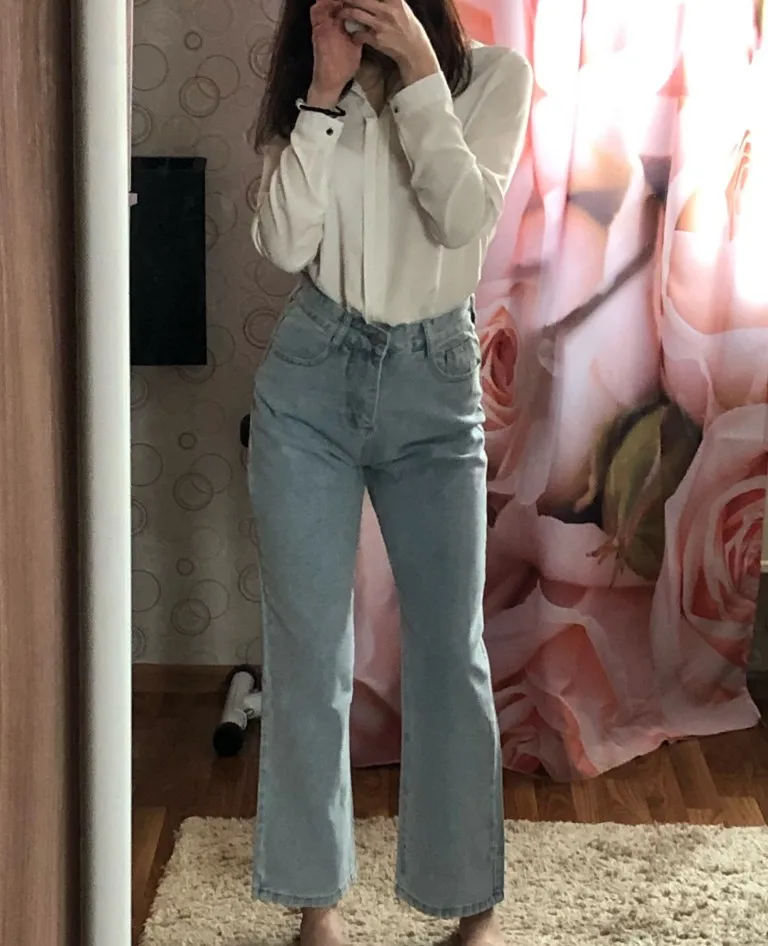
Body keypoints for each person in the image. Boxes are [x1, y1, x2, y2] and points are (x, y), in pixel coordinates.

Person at [248, 1, 532, 943]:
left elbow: (461, 219)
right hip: (311, 378)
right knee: (308, 655)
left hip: (434, 388)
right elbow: (283, 244)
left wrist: (417, 72)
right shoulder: (317, 80)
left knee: (451, 651)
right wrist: (323, 94)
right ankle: (315, 910)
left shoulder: (495, 79)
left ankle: (471, 910)